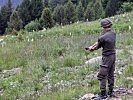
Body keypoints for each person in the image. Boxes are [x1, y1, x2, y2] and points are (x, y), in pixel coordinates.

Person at [86, 18, 116, 99]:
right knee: (111, 74)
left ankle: (103, 94)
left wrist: (90, 49)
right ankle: (110, 91)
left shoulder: (102, 38)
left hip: (106, 57)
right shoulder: (113, 34)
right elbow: (100, 42)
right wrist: (94, 44)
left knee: (102, 75)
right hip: (113, 56)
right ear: (110, 25)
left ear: (103, 27)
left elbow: (97, 47)